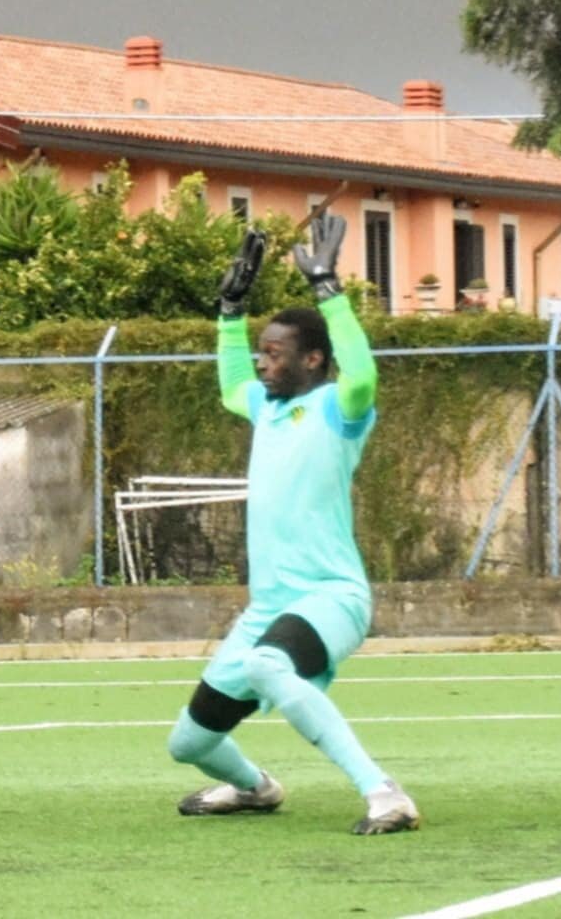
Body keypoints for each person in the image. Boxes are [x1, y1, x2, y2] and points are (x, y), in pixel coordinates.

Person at [167, 214, 420, 836]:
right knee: (189, 742)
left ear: (312, 359)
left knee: (266, 668)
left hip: (331, 596)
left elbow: (361, 373)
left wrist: (328, 289)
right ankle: (254, 788)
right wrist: (230, 308)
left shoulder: (337, 407)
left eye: (274, 354)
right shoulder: (266, 408)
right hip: (270, 606)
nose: (262, 363)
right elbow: (231, 383)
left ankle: (385, 794)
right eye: (261, 352)